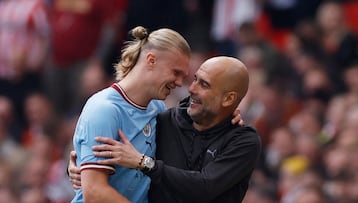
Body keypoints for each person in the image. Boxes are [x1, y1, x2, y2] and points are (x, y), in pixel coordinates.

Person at [69, 56, 262, 202]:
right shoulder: (164, 120)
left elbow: (205, 186)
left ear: (229, 99)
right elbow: (114, 152)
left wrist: (145, 163)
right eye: (195, 79)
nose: (191, 89)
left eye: (204, 84)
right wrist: (79, 168)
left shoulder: (243, 141)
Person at [70, 25, 191, 203]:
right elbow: (94, 193)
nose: (180, 82)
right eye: (176, 72)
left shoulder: (157, 108)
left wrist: (228, 117)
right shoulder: (104, 109)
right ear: (151, 60)